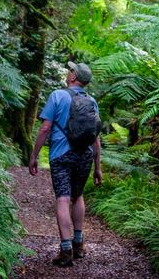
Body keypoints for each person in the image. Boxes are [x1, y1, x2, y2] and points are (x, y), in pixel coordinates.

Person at [29, 61, 103, 267]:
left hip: (61, 155)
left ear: (73, 77)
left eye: (70, 70)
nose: (68, 72)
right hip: (85, 156)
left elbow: (45, 128)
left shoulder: (57, 96)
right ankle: (79, 244)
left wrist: (34, 155)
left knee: (63, 198)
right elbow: (96, 137)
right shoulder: (92, 101)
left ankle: (66, 249)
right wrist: (98, 167)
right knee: (78, 196)